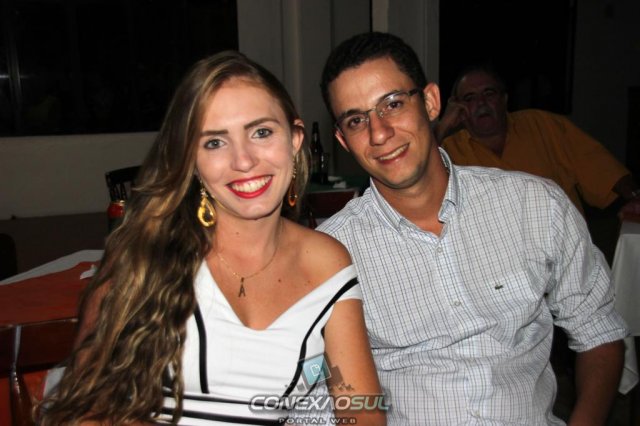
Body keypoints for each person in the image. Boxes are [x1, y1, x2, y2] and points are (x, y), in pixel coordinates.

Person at [38, 51, 385, 425]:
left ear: (295, 139)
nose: (244, 160)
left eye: (261, 132)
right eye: (215, 142)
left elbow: (362, 411)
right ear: (192, 160)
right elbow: (83, 411)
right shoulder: (146, 253)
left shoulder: (327, 262)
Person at [318, 32, 628, 425]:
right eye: (357, 120)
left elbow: (598, 331)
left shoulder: (534, 205)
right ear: (343, 140)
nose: (379, 133)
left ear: (431, 102)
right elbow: (335, 396)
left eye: (393, 104)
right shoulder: (331, 255)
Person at [435, 64, 640, 217]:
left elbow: (598, 164)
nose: (481, 103)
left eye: (489, 93)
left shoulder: (544, 125)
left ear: (504, 100)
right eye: (470, 98)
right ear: (458, 108)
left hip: (560, 247)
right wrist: (443, 126)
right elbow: (422, 183)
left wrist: (634, 197)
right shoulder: (448, 149)